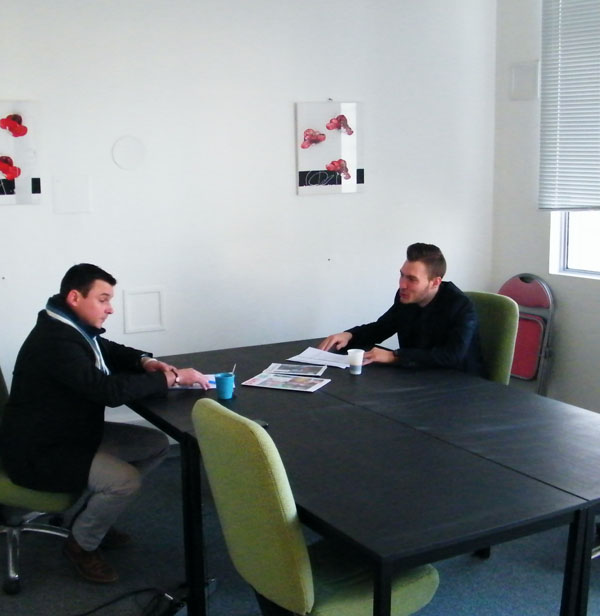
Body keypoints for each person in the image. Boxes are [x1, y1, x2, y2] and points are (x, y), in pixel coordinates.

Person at [0, 263, 210, 584]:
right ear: (75, 297)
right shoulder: (55, 341)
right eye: (103, 299)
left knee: (154, 444)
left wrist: (146, 361)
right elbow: (108, 391)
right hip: (40, 451)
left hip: (69, 434)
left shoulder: (68, 326)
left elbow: (107, 349)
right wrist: (172, 377)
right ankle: (80, 545)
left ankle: (94, 519)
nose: (110, 309)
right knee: (124, 481)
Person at [318, 243, 485, 375]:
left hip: (459, 385)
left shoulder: (460, 306)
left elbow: (452, 356)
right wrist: (349, 335)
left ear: (435, 282)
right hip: (417, 377)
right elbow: (382, 328)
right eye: (402, 275)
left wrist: (395, 356)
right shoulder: (406, 297)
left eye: (412, 279)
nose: (402, 284)